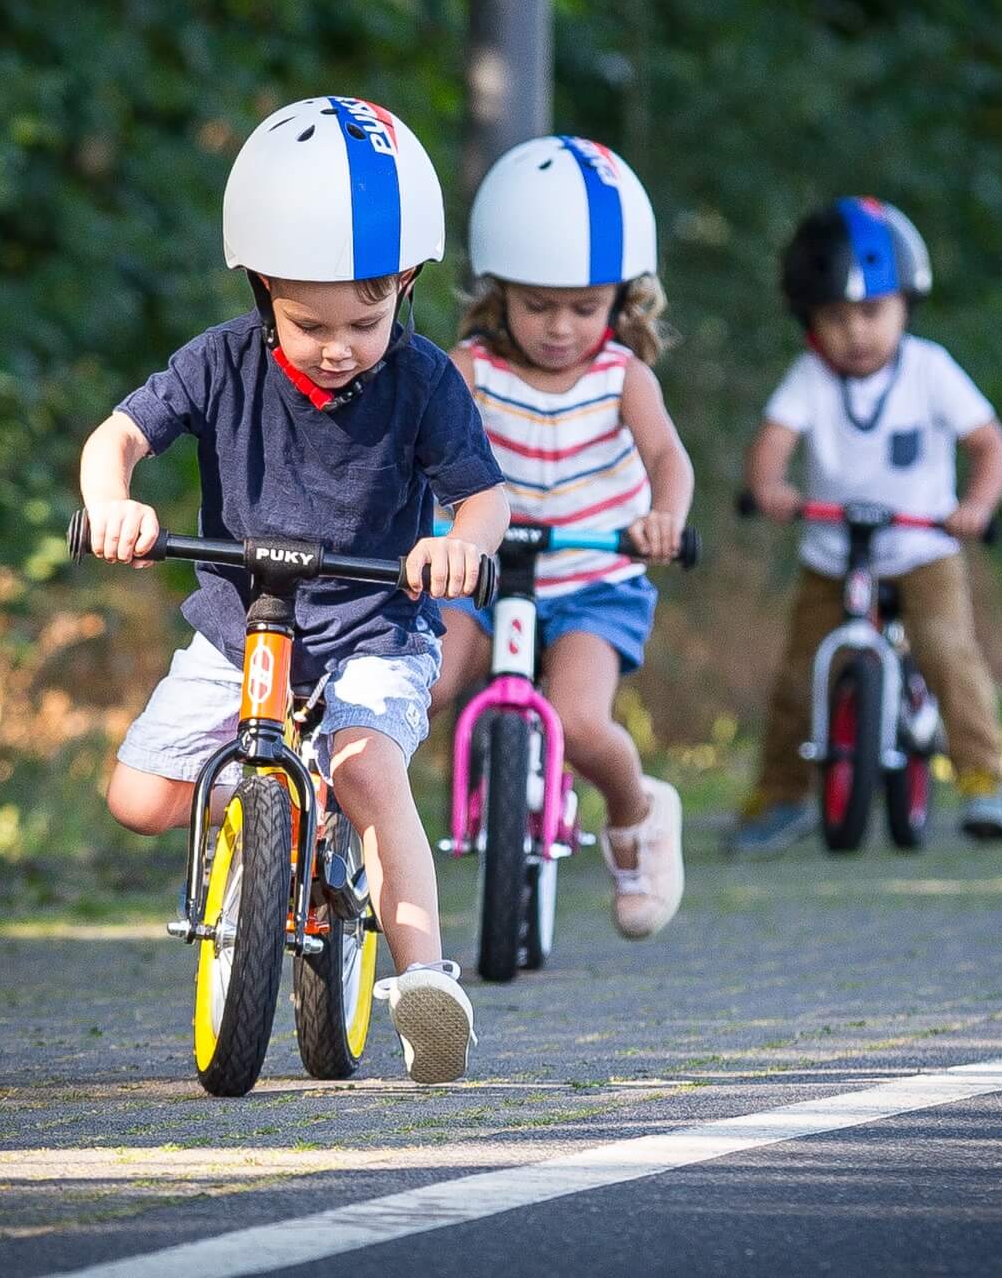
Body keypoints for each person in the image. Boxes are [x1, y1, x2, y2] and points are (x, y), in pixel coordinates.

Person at [77, 96, 510, 1084]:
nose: (338, 344)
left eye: (365, 318)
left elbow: (482, 498)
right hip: (241, 626)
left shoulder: (424, 379)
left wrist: (456, 549)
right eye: (308, 321)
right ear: (261, 283)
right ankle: (264, 828)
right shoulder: (219, 363)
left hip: (370, 629)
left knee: (363, 771)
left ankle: (425, 984)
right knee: (138, 799)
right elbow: (121, 437)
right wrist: (113, 501)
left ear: (405, 283)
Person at [427, 135, 695, 939]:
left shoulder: (624, 376)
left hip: (591, 576)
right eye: (537, 305)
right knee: (426, 686)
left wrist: (664, 518)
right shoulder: (466, 368)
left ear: (621, 300)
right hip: (477, 569)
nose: (559, 328)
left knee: (578, 723)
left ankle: (638, 816)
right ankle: (355, 845)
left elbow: (666, 458)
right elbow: (414, 450)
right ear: (498, 292)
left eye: (585, 307)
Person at [728, 197, 1002, 855]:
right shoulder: (810, 377)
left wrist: (975, 506)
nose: (855, 331)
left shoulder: (930, 369)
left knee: (946, 647)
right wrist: (769, 485)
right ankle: (781, 794)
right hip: (833, 552)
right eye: (835, 316)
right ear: (810, 321)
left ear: (905, 307)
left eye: (871, 313)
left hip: (923, 548)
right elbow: (772, 441)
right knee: (801, 673)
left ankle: (982, 775)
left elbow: (992, 446)